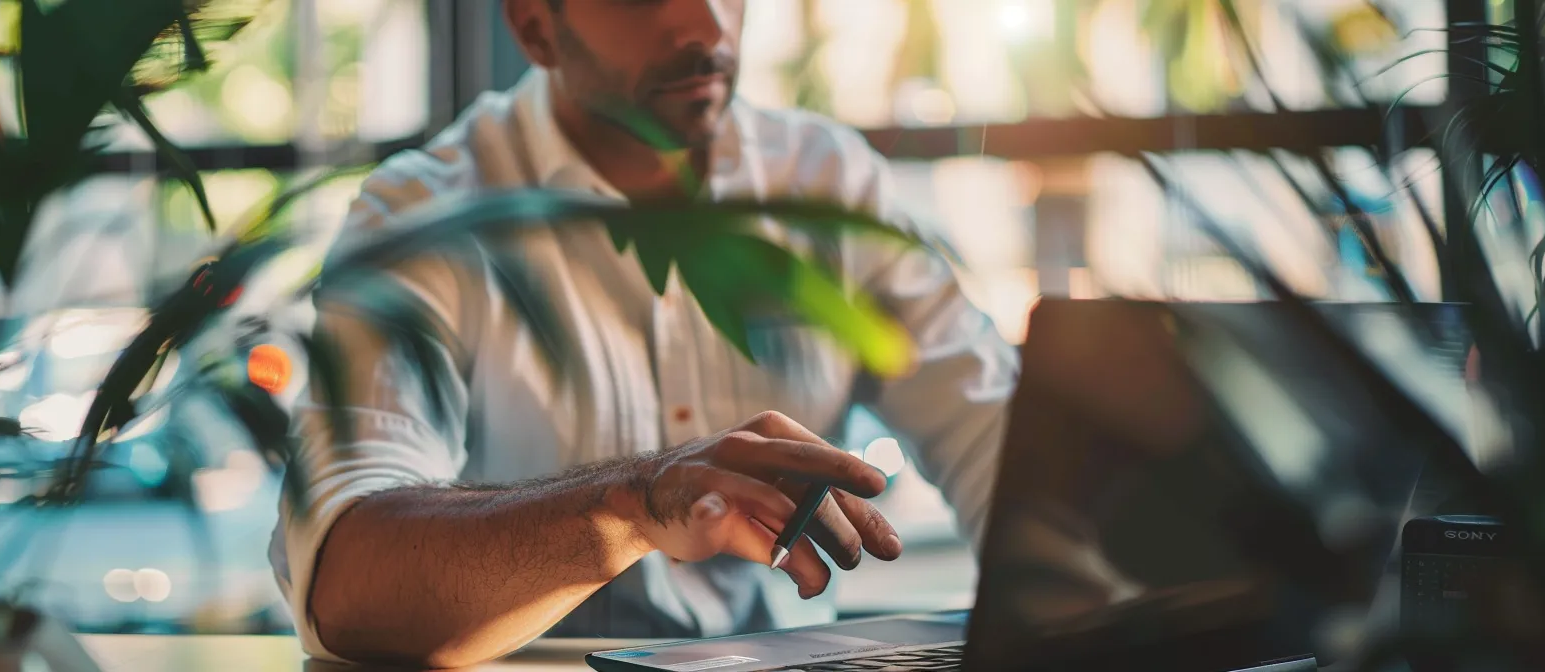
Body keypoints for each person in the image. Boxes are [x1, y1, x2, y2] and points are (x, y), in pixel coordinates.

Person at [268, 0, 1019, 666]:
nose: (706, 26)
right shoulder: (424, 216)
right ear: (536, 26)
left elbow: (1003, 452)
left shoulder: (828, 183)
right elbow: (344, 581)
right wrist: (633, 501)